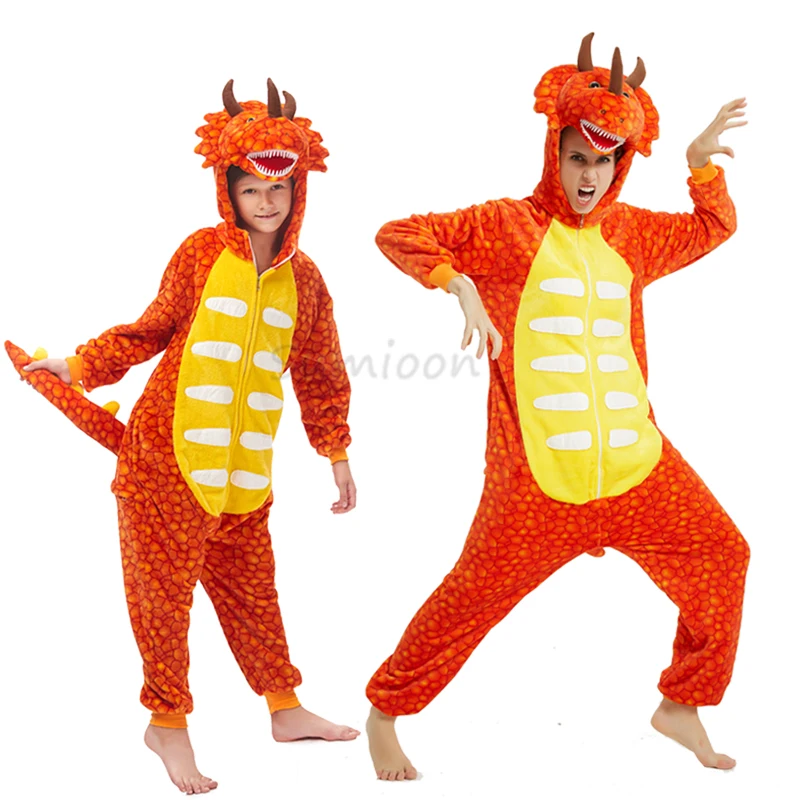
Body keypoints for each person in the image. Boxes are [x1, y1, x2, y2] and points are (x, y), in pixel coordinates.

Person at [365, 34, 749, 781]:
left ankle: (682, 705)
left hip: (640, 471)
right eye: (578, 158)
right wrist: (456, 281)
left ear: (622, 163)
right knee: (468, 598)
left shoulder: (634, 232)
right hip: (537, 488)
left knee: (724, 555)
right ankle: (386, 711)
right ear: (555, 150)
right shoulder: (503, 226)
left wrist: (700, 166)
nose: (589, 176)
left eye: (605, 162)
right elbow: (397, 233)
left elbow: (714, 227)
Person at [18, 78, 359, 795]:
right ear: (228, 190)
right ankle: (166, 724)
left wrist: (336, 452)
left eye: (278, 189)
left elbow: (321, 371)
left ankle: (285, 708)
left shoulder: (308, 282)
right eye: (250, 190)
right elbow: (150, 331)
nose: (265, 202)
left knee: (255, 595)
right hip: (162, 466)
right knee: (163, 602)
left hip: (243, 479)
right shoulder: (202, 254)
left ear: (298, 190)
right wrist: (76, 366)